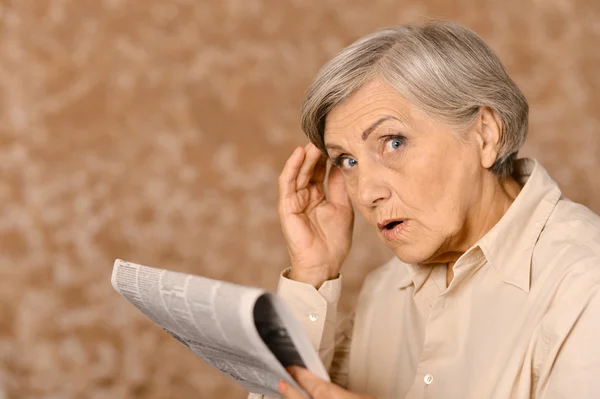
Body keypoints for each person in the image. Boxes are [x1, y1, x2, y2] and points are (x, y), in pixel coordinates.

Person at [249, 20, 600, 399]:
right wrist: (313, 274)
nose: (366, 192)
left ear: (485, 133)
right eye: (347, 161)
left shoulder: (584, 285)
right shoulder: (384, 288)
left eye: (393, 142)